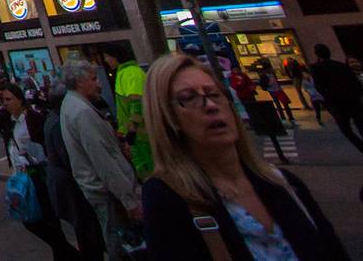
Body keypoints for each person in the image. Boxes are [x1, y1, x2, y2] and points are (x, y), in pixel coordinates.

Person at [140, 52, 349, 260]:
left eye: (214, 94)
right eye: (188, 98)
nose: (211, 106)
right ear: (167, 117)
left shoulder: (285, 184)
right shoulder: (167, 198)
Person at [60, 58, 141, 260]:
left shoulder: (71, 105)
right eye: (94, 79)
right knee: (123, 247)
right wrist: (130, 201)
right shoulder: (82, 112)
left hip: (100, 190)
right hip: (108, 194)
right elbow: (103, 160)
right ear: (80, 82)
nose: (99, 84)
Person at [0, 82, 81, 260]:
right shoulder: (10, 121)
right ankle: (65, 252)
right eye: (3, 100)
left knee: (44, 218)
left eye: (9, 99)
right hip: (22, 175)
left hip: (38, 173)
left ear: (20, 100)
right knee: (32, 218)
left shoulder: (33, 118)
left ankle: (64, 253)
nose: (5, 103)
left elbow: (46, 143)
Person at [44, 79, 105, 261]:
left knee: (85, 229)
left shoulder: (54, 118)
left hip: (66, 184)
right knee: (88, 230)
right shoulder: (59, 122)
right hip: (72, 185)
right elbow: (70, 159)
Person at [308, 43, 363, 154]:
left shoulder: (316, 68)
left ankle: (361, 147)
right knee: (360, 124)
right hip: (352, 100)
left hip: (336, 103)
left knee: (346, 129)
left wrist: (327, 100)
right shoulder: (341, 65)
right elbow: (355, 83)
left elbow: (319, 87)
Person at [111, 50, 151, 179]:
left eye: (107, 56)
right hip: (137, 135)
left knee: (149, 171)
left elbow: (137, 103)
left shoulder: (130, 73)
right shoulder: (125, 73)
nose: (106, 60)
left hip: (141, 136)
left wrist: (132, 130)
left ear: (115, 57)